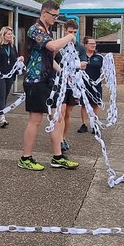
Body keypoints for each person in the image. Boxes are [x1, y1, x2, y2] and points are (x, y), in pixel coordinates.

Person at [19, 0, 80, 171]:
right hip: (35, 80)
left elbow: (50, 58)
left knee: (57, 117)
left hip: (48, 80)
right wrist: (69, 36)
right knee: (36, 119)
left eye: (57, 15)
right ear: (44, 13)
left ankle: (57, 156)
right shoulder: (35, 30)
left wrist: (62, 72)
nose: (55, 18)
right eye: (53, 15)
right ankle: (26, 157)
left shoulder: (48, 30)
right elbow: (52, 46)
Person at [54, 19, 80, 151]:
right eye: (70, 32)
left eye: (75, 32)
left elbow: (83, 63)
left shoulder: (78, 47)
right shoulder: (58, 45)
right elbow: (50, 59)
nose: (72, 34)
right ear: (65, 31)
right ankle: (58, 140)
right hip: (58, 83)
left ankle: (63, 137)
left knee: (68, 113)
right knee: (61, 111)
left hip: (72, 85)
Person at [0, 26, 21, 128]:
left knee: (6, 94)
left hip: (9, 73)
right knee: (1, 94)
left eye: (11, 34)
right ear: (3, 35)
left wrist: (20, 59)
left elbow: (15, 58)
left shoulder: (12, 47)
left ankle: (0, 114)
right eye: (8, 34)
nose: (11, 36)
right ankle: (2, 116)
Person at [77, 36, 104, 133]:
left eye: (94, 44)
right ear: (85, 45)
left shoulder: (99, 57)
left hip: (96, 85)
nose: (93, 45)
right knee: (84, 104)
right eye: (91, 44)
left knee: (95, 104)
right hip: (83, 84)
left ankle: (95, 124)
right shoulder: (80, 56)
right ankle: (84, 124)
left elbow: (105, 70)